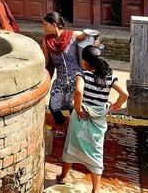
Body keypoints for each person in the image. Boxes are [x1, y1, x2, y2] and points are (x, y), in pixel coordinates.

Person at [56, 46, 128, 193]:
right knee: (96, 152)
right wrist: (117, 104)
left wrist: (77, 107)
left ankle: (63, 177)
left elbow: (78, 91)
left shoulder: (82, 75)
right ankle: (95, 189)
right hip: (98, 120)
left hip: (81, 117)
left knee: (71, 148)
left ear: (85, 62)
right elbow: (125, 94)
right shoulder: (109, 78)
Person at [41, 11, 88, 136]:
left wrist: (97, 41)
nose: (43, 27)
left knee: (75, 107)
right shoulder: (46, 42)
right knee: (53, 106)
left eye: (46, 24)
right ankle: (64, 123)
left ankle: (74, 133)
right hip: (60, 78)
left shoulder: (72, 36)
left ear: (54, 24)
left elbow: (90, 36)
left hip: (76, 77)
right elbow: (46, 62)